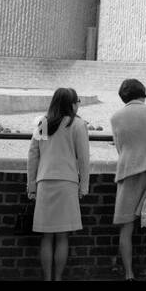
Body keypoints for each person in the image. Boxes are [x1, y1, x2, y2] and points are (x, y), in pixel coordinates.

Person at [26, 87, 91, 281]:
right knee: (62, 236)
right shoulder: (77, 125)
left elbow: (33, 155)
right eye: (77, 101)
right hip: (67, 183)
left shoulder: (43, 123)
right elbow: (84, 159)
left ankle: (47, 278)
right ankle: (58, 278)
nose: (78, 104)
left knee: (46, 236)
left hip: (44, 182)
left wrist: (31, 186)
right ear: (72, 103)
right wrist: (84, 186)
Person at [110, 78, 146, 281]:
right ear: (143, 93)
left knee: (126, 228)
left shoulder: (115, 117)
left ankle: (128, 274)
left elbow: (119, 148)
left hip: (125, 173)